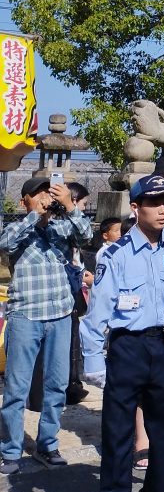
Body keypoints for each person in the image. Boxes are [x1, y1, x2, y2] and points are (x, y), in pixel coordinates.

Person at [80, 173, 164, 492]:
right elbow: (97, 313)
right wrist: (94, 362)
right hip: (128, 348)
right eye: (154, 203)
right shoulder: (114, 254)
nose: (163, 210)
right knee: (117, 434)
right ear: (136, 208)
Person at [0, 174, 92, 475]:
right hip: (25, 316)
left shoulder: (61, 226)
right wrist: (34, 218)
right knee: (16, 388)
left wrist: (69, 205)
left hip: (61, 315)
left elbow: (86, 237)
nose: (44, 198)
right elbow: (5, 242)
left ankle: (47, 445)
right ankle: (11, 451)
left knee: (57, 385)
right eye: (37, 194)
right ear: (24, 200)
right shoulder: (17, 227)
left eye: (47, 193)